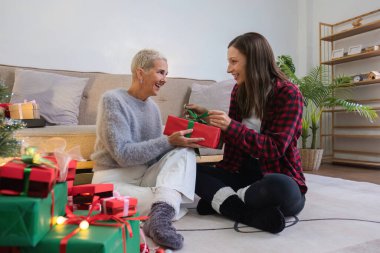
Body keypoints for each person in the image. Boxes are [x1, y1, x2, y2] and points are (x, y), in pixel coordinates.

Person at [186, 32, 307, 234]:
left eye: (234, 62)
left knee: (280, 188)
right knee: (189, 169)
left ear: (254, 60)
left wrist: (230, 126)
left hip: (274, 176)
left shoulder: (288, 93)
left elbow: (274, 148)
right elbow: (232, 139)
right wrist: (207, 119)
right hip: (242, 174)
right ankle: (245, 212)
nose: (228, 69)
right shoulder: (239, 91)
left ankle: (223, 201)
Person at [91, 49, 204, 250]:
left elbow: (155, 157)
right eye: (161, 72)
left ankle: (158, 217)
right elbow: (123, 155)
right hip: (114, 182)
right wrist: (168, 141)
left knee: (185, 152)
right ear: (140, 73)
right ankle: (163, 209)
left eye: (166, 74)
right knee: (177, 197)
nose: (165, 79)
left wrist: (180, 140)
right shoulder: (113, 100)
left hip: (144, 178)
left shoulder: (153, 108)